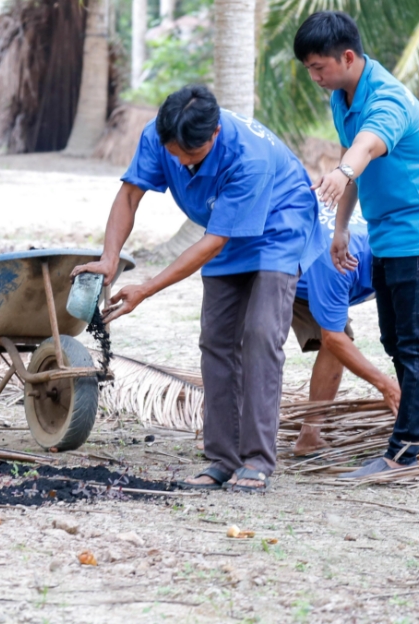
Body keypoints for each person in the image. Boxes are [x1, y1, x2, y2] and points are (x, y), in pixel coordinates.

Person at [74, 85, 323, 492]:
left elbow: (213, 243)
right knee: (216, 340)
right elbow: (130, 194)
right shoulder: (161, 135)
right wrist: (109, 257)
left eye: (190, 156)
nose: (179, 163)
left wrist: (148, 288)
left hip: (279, 226)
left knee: (261, 333)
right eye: (174, 153)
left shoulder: (249, 159)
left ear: (215, 135)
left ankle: (257, 460)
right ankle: (222, 459)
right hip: (221, 223)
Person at [294, 11, 419, 478]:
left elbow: (363, 150)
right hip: (385, 233)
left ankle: (403, 451)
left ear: (348, 56)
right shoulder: (343, 98)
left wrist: (343, 170)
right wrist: (341, 227)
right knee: (393, 337)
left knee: (416, 343)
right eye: (308, 69)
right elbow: (357, 171)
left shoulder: (388, 100)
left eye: (319, 67)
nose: (315, 77)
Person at [290, 213, 419, 456]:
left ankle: (309, 438)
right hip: (292, 273)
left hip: (332, 267)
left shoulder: (401, 255)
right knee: (335, 343)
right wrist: (387, 386)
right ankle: (308, 438)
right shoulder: (339, 263)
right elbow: (334, 338)